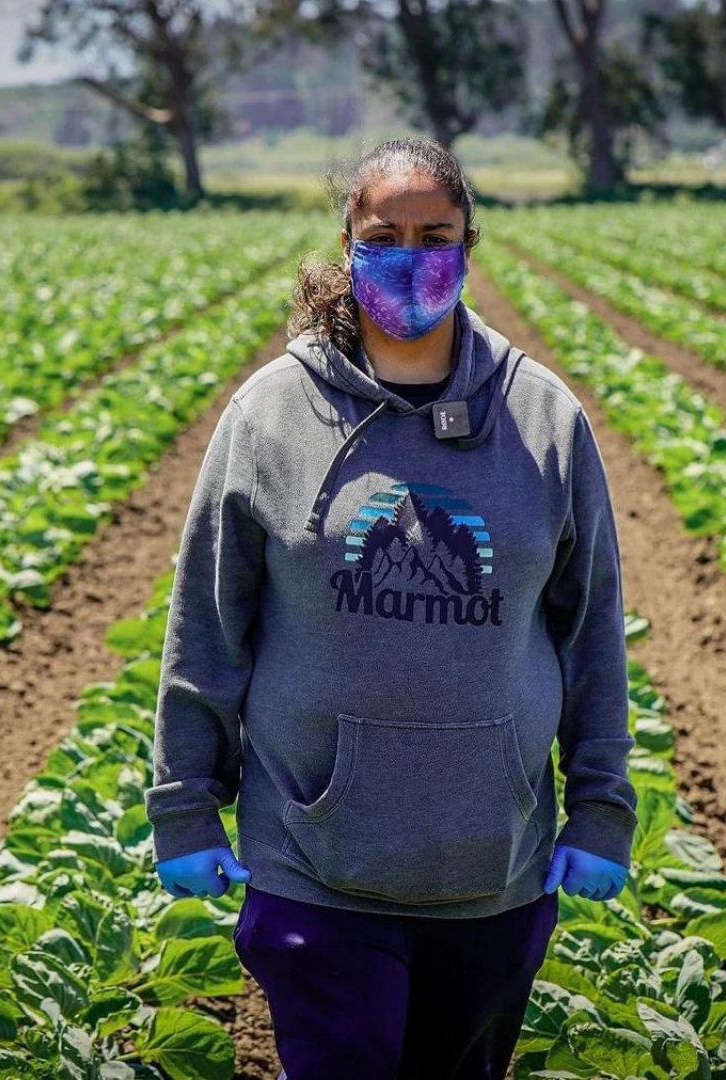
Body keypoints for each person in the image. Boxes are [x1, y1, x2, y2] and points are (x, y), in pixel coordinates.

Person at [145, 138, 637, 1079]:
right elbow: (207, 625)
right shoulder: (271, 415)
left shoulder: (542, 420)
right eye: (386, 236)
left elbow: (590, 635)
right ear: (347, 243)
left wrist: (604, 808)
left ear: (469, 244)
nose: (413, 256)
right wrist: (185, 806)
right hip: (311, 863)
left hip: (492, 870)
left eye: (436, 234)